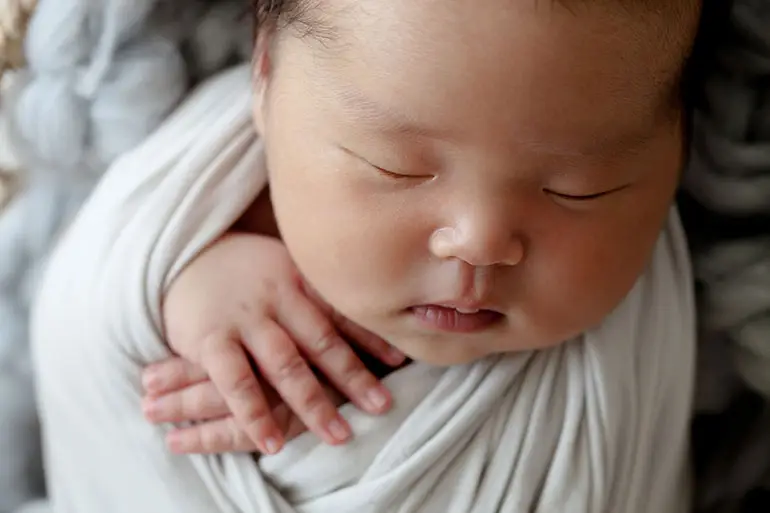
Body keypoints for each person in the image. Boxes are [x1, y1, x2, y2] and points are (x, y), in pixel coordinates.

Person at [30, 0, 702, 511]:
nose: (479, 241)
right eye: (397, 168)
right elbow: (82, 320)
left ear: (678, 146)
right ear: (264, 74)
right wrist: (177, 292)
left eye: (575, 189)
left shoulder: (636, 312)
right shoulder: (178, 196)